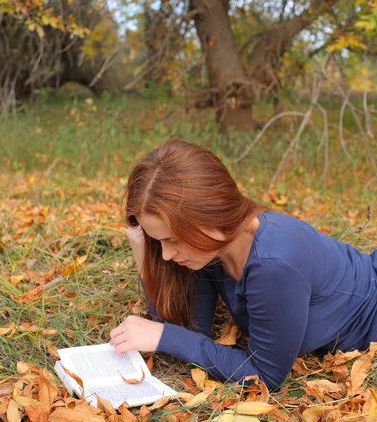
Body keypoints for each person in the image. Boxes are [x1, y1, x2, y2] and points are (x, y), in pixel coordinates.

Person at [109, 139, 377, 390]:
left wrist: (166, 336)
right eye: (159, 242)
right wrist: (144, 254)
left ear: (209, 218)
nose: (166, 254)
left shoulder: (273, 264)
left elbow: (265, 375)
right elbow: (190, 329)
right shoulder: (211, 247)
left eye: (172, 240)